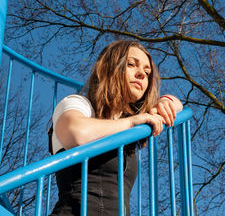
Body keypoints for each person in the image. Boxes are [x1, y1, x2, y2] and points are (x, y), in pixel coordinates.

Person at [49, 40, 183, 216]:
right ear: (110, 67)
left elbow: (180, 106)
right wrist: (131, 122)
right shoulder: (79, 105)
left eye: (147, 72)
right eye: (131, 64)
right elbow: (76, 134)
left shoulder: (129, 126)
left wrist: (165, 100)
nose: (142, 74)